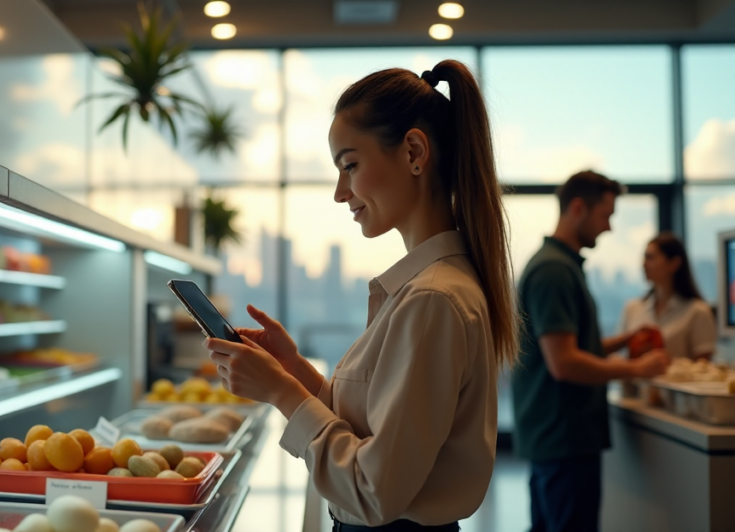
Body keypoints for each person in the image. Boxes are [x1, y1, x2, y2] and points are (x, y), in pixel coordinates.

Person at [204, 60, 517, 531]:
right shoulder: (426, 288)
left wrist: (279, 391)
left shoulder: (432, 299)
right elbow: (377, 430)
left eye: (350, 165)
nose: (339, 192)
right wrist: (295, 370)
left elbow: (374, 491)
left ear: (414, 152)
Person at [511, 171, 670, 532]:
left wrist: (624, 342)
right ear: (578, 208)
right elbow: (564, 363)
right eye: (606, 216)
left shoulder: (558, 264)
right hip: (564, 438)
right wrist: (638, 369)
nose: (610, 228)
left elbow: (573, 345)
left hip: (554, 437)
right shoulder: (554, 271)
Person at [619, 233, 717, 360]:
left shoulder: (698, 312)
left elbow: (703, 370)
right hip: (632, 380)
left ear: (674, 263)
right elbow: (619, 356)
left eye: (650, 258)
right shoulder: (632, 308)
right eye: (644, 257)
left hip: (674, 380)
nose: (643, 264)